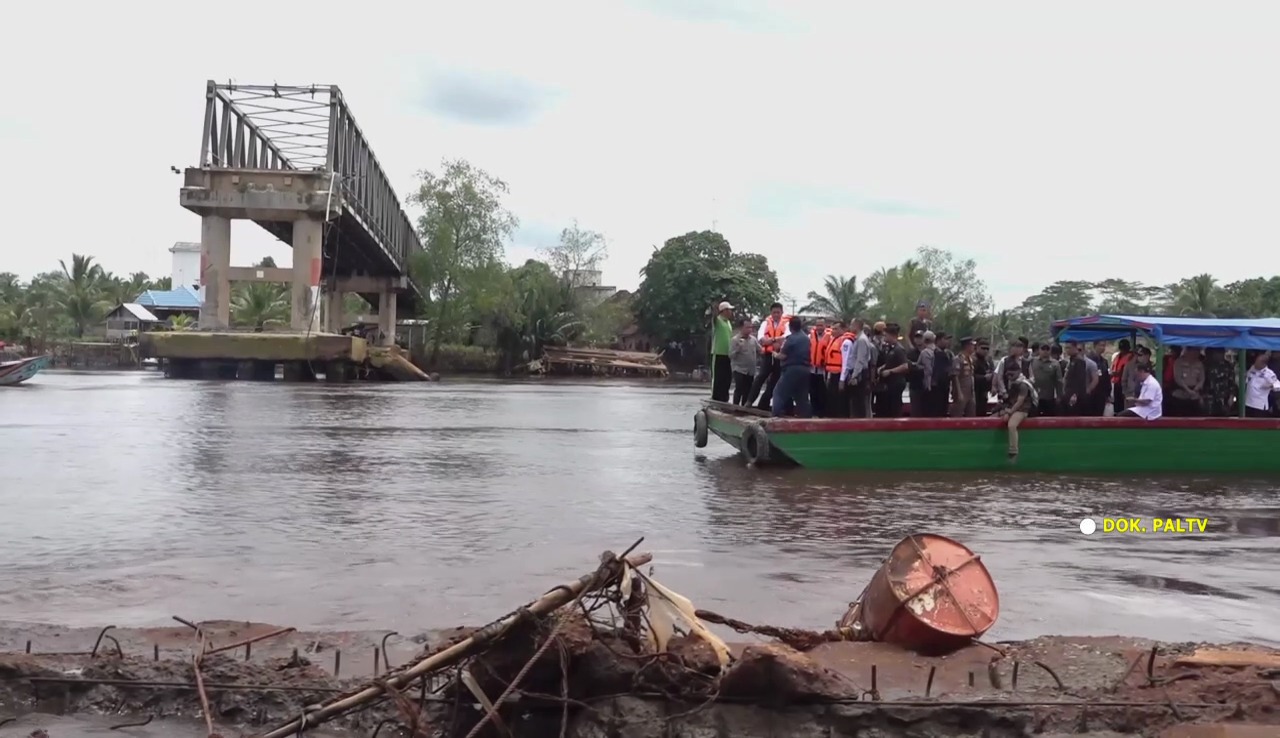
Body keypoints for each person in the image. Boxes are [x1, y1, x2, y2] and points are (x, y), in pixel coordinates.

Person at [771, 316, 812, 418]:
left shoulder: (791, 339)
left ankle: (776, 414)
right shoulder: (806, 338)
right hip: (805, 369)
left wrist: (775, 354)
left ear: (790, 327)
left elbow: (783, 356)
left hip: (792, 369)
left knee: (779, 392)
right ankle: (805, 417)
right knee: (801, 395)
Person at [750, 303, 789, 410]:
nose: (776, 315)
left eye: (778, 312)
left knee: (774, 382)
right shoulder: (765, 323)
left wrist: (771, 340)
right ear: (771, 313)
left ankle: (763, 405)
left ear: (782, 312)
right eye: (774, 312)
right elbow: (761, 338)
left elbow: (786, 337)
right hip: (768, 356)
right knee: (760, 377)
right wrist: (775, 340)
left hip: (779, 356)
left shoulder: (786, 324)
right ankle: (749, 401)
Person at [999, 360, 1038, 461]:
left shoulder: (1023, 384)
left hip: (1023, 409)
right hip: (1013, 407)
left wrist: (1010, 411)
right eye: (1008, 374)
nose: (1009, 377)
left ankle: (1013, 450)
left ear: (1018, 372)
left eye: (1012, 374)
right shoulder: (1013, 383)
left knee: (1012, 425)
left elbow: (1020, 401)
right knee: (1000, 418)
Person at [843, 318, 876, 418]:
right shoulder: (859, 338)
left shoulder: (861, 340)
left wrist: (854, 375)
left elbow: (860, 359)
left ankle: (860, 422)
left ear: (857, 326)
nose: (850, 327)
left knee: (859, 402)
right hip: (858, 372)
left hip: (860, 373)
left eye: (852, 325)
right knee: (855, 401)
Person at [875, 323, 909, 418]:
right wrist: (883, 367)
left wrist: (890, 371)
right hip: (889, 383)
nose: (884, 337)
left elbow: (905, 366)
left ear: (892, 335)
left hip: (896, 382)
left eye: (886, 335)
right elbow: (892, 362)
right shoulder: (889, 348)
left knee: (895, 407)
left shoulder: (899, 349)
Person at [823, 322, 852, 417]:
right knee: (831, 398)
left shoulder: (846, 342)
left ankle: (841, 418)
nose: (833, 331)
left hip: (841, 375)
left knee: (840, 401)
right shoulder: (833, 340)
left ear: (843, 330)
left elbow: (845, 362)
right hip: (832, 374)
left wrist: (842, 380)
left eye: (836, 329)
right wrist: (828, 377)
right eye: (833, 329)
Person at [729, 318, 759, 406]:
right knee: (739, 388)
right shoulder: (735, 340)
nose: (750, 329)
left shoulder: (753, 339)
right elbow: (730, 355)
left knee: (748, 390)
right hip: (739, 369)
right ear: (741, 328)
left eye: (751, 327)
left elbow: (760, 350)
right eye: (747, 327)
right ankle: (735, 406)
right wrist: (738, 348)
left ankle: (744, 408)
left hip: (750, 370)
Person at [709, 301, 735, 402]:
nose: (731, 312)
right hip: (718, 353)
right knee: (718, 378)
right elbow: (713, 317)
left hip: (728, 354)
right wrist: (714, 309)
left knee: (727, 377)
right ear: (724, 311)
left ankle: (724, 398)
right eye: (729, 310)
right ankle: (715, 398)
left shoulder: (728, 322)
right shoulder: (718, 321)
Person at [1028, 342, 1063, 416]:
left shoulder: (1055, 363)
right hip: (1035, 396)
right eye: (1043, 349)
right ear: (1039, 350)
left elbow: (1059, 381)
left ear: (1050, 351)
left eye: (1047, 349)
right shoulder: (1032, 361)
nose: (1045, 351)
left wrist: (1059, 396)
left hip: (1049, 397)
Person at [1244, 351, 1280, 418]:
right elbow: (1247, 378)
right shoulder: (1252, 368)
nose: (1255, 364)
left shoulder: (1269, 374)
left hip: (1259, 406)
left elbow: (1278, 385)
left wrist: (1271, 386)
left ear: (1263, 364)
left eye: (1258, 362)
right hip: (1248, 403)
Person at [1171, 347, 1205, 417]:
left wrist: (1196, 388)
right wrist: (1188, 390)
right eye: (1195, 351)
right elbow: (1178, 378)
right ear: (1188, 351)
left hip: (1194, 394)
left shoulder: (1199, 363)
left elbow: (1202, 379)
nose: (1197, 354)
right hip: (1180, 394)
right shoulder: (1179, 362)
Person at [808, 318, 831, 417]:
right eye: (817, 325)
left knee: (822, 393)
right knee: (812, 392)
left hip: (823, 371)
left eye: (821, 325)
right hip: (812, 369)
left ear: (825, 326)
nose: (819, 327)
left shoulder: (830, 337)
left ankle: (822, 413)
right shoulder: (810, 336)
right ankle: (814, 412)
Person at [950, 337, 977, 417]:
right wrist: (959, 393)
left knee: (971, 413)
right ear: (967, 346)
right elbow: (955, 376)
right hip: (962, 390)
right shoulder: (958, 359)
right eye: (972, 345)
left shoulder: (970, 359)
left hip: (970, 391)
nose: (973, 347)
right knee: (957, 413)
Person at [1110, 340, 1134, 415]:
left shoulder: (1131, 357)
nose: (1122, 351)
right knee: (1116, 404)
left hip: (1125, 384)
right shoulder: (1117, 356)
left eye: (1124, 349)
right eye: (1121, 348)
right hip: (1116, 383)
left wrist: (1116, 374)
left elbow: (1126, 371)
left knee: (1123, 404)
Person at [973, 340, 993, 416]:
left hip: (984, 389)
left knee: (983, 409)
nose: (985, 351)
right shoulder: (973, 359)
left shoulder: (988, 359)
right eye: (983, 348)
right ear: (977, 347)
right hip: (974, 389)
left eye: (987, 349)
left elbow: (992, 371)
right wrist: (983, 377)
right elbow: (970, 376)